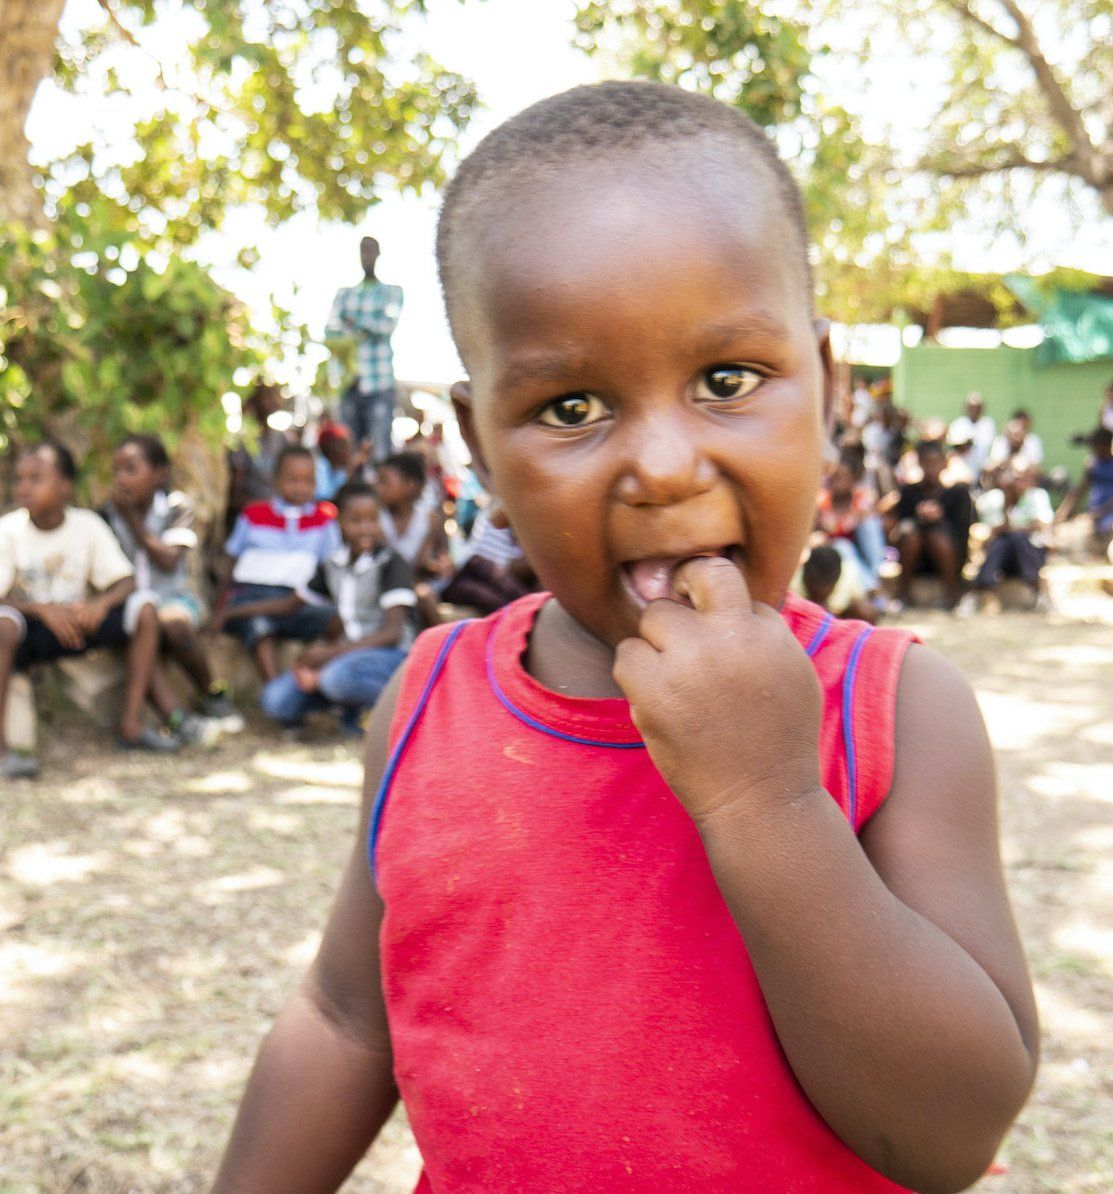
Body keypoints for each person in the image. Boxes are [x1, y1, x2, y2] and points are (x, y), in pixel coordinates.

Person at [215, 82, 1037, 1192]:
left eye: (726, 381)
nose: (662, 466)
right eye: (572, 409)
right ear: (480, 447)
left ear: (827, 387)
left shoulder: (893, 711)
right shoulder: (428, 700)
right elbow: (344, 1019)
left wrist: (766, 803)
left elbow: (950, 1134)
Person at [0, 441, 180, 779]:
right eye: (18, 479)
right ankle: (2, 751)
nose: (24, 487)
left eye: (36, 478)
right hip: (31, 630)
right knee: (3, 626)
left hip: (80, 623)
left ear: (65, 486)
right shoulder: (8, 531)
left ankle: (131, 725)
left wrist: (101, 605)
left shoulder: (87, 525)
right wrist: (41, 610)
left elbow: (125, 581)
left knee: (143, 608)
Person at [103, 434, 242, 739]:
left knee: (173, 624)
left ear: (159, 474)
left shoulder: (177, 507)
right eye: (118, 471)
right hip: (131, 605)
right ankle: (178, 721)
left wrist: (134, 522)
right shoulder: (107, 515)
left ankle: (211, 693)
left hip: (172, 598)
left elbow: (168, 560)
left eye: (131, 469)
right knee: (140, 628)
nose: (121, 479)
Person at [259, 481, 415, 733]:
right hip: (347, 659)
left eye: (372, 520)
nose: (366, 528)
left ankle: (405, 709)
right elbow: (291, 604)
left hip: (390, 657)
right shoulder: (334, 564)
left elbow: (392, 634)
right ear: (339, 521)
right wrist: (230, 612)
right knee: (275, 700)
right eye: (356, 520)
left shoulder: (392, 563)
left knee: (334, 678)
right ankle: (349, 706)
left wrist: (330, 654)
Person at [212, 445, 341, 682]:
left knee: (335, 619)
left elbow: (332, 570)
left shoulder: (324, 521)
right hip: (250, 597)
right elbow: (231, 561)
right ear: (275, 480)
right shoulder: (253, 514)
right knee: (260, 626)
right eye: (293, 480)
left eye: (308, 481)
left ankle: (324, 681)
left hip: (298, 601)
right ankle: (275, 690)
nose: (301, 488)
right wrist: (219, 606)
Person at [326, 236, 403, 462]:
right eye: (363, 251)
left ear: (378, 254)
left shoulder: (391, 292)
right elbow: (331, 331)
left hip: (379, 384)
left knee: (380, 454)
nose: (366, 256)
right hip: (350, 384)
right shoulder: (345, 294)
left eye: (370, 250)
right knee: (350, 454)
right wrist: (366, 326)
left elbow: (386, 326)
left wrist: (353, 322)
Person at [887, 439, 974, 609]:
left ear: (944, 463)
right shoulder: (908, 492)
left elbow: (962, 533)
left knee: (936, 536)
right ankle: (903, 594)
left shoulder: (958, 494)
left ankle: (953, 594)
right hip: (917, 561)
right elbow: (900, 528)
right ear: (919, 463)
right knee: (911, 534)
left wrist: (940, 519)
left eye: (935, 462)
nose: (931, 468)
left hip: (949, 558)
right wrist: (919, 518)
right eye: (927, 462)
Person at [971, 465, 1053, 599]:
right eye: (1016, 479)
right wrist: (1007, 504)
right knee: (1002, 542)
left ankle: (1035, 587)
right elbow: (990, 532)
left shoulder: (1037, 496)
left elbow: (1043, 525)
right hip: (1003, 555)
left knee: (1018, 538)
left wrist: (1011, 528)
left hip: (1029, 554)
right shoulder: (994, 499)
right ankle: (983, 589)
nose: (1018, 484)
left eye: (1023, 479)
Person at [226, 382, 295, 526]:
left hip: (281, 515)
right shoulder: (242, 442)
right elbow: (235, 496)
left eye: (274, 395)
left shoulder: (283, 439)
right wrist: (265, 508)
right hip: (253, 517)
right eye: (266, 396)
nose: (272, 401)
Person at [1055, 426, 1113, 553]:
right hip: (1093, 515)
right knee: (1066, 533)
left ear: (1105, 445)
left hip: (1108, 516)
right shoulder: (1092, 464)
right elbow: (1079, 491)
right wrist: (1062, 513)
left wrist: (1098, 514)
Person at [791, 544, 877, 624]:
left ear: (837, 580)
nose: (820, 592)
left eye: (825, 587)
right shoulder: (793, 586)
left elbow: (862, 603)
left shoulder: (848, 575)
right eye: (816, 587)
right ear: (805, 579)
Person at [314, 420, 368, 501]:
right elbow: (326, 497)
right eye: (346, 446)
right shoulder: (320, 467)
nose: (351, 450)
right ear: (333, 448)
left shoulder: (339, 469)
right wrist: (351, 466)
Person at [947, 392, 996, 479]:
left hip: (983, 467)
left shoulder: (988, 424)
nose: (974, 410)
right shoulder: (958, 424)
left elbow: (990, 446)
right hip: (963, 465)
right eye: (971, 407)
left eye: (978, 408)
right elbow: (954, 447)